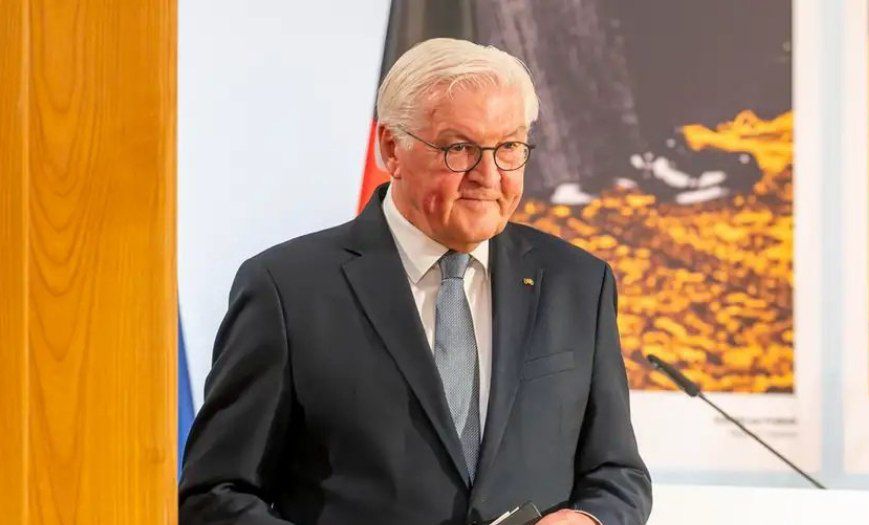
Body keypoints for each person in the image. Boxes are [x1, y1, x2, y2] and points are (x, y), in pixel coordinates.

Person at [179, 38, 652, 524]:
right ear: (392, 149)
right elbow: (216, 494)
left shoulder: (578, 283)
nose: (489, 176)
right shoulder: (286, 289)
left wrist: (590, 520)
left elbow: (617, 475)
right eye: (459, 148)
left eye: (509, 147)